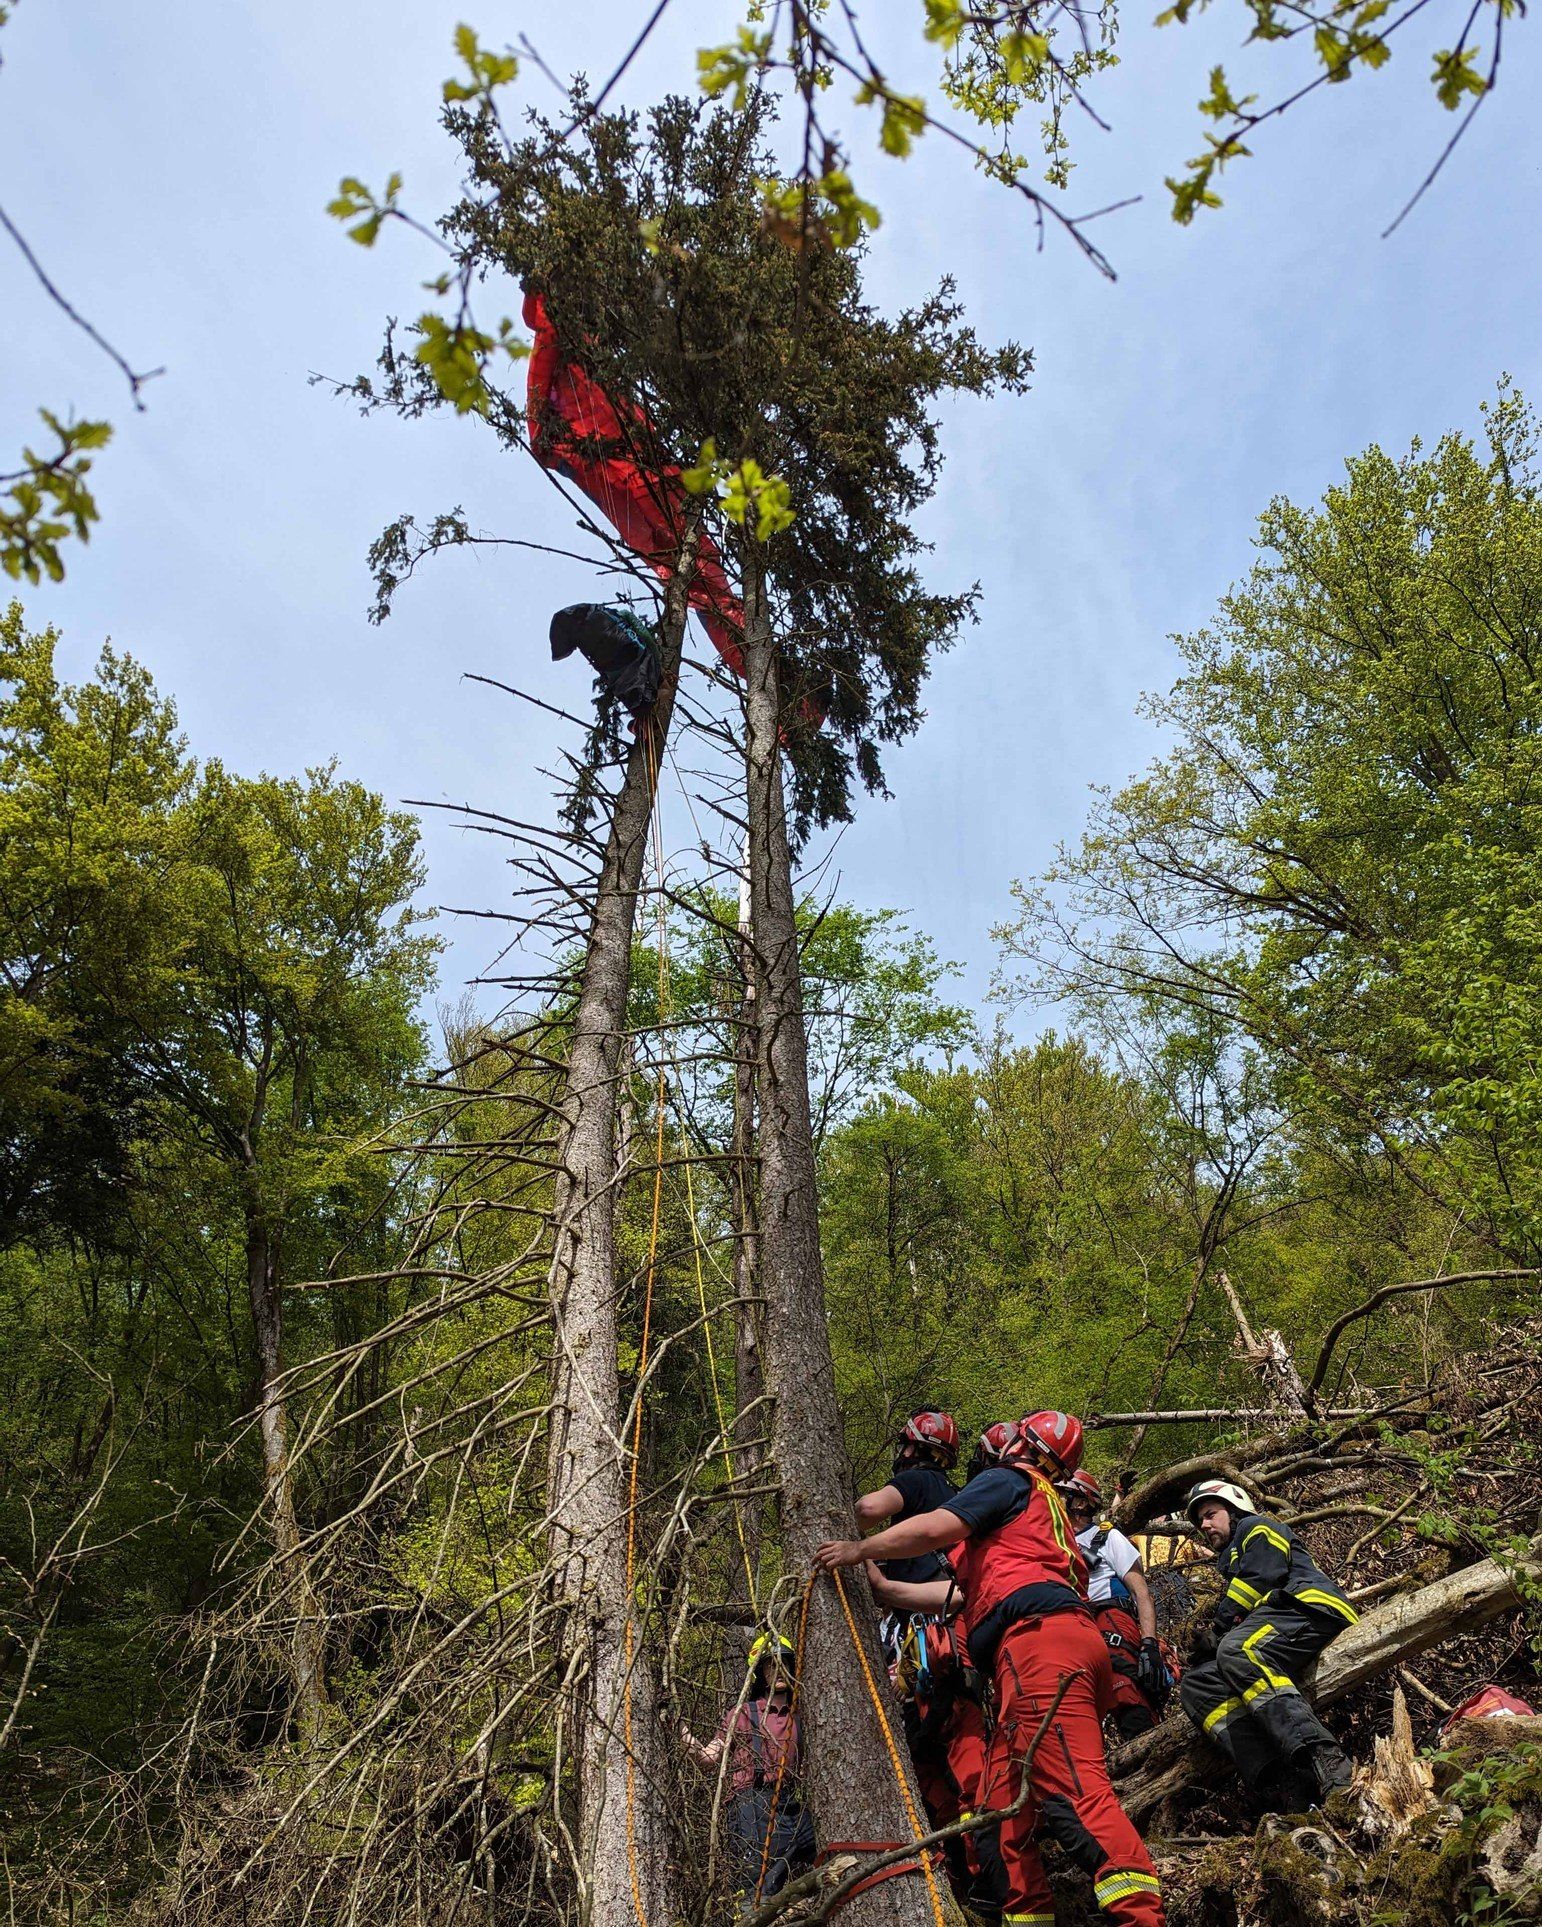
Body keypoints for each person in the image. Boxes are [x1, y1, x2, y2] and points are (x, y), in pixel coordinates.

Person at [816, 1412, 1165, 1927]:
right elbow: (965, 1593)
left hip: (1039, 1646)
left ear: (1023, 1445)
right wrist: (885, 1588)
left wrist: (859, 1547)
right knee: (1003, 1805)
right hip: (1052, 1648)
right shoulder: (1045, 1517)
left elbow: (936, 1527)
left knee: (1073, 1791)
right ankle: (1027, 1916)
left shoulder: (1010, 1481)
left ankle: (1142, 1917)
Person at [1177, 1478, 1357, 1811]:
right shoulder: (1231, 1555)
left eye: (1210, 1514)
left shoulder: (1257, 1527)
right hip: (1278, 1624)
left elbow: (1261, 1576)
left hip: (1310, 1608)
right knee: (1197, 1684)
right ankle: (1284, 1782)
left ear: (1235, 1508)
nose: (1204, 1525)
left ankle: (1325, 1757)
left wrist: (1217, 1633)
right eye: (1201, 1520)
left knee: (1236, 1649)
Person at [679, 1632, 815, 1910]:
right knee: (755, 1892)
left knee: (829, 1852)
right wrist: (679, 1731)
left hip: (791, 1806)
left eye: (783, 1663)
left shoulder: (804, 1714)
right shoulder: (743, 1713)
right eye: (769, 1665)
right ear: (760, 1674)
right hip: (751, 1809)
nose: (777, 1670)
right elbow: (708, 1757)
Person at [1058, 1471, 1167, 1740]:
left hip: (1109, 1617)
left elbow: (1141, 1592)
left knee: (1125, 1686)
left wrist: (1149, 1644)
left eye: (1061, 1494)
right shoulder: (1052, 1542)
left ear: (1081, 1502)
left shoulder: (1107, 1538)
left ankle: (1146, 1746)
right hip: (1071, 1624)